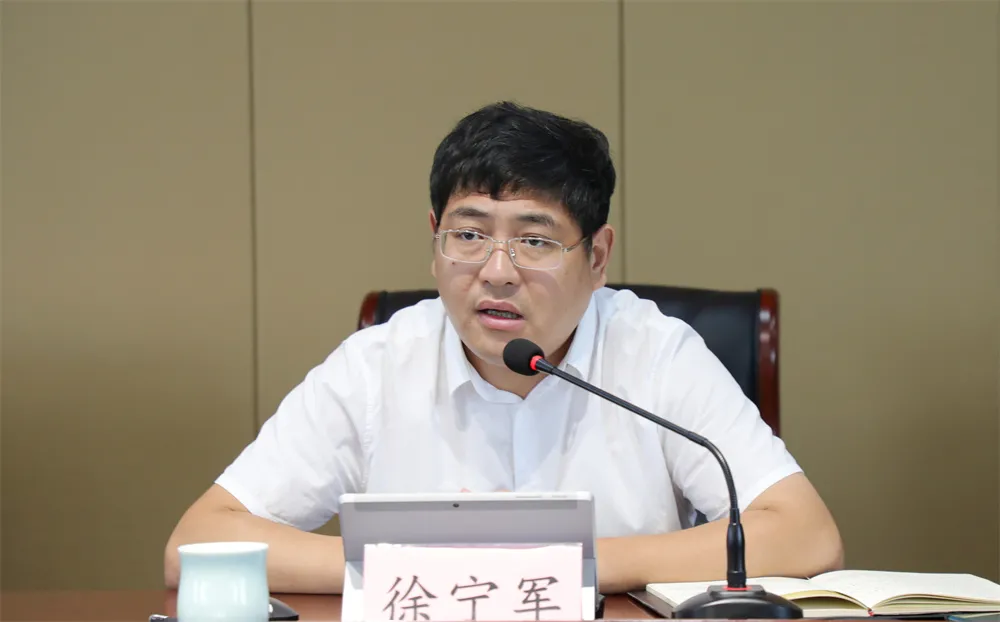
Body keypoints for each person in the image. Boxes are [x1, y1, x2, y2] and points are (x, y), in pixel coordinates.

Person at [164, 101, 843, 595]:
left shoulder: (655, 354)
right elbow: (199, 540)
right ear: (434, 239)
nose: (496, 271)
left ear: (597, 257)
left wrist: (570, 564)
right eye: (468, 235)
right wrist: (416, 569)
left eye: (535, 240)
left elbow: (805, 534)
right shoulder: (377, 364)